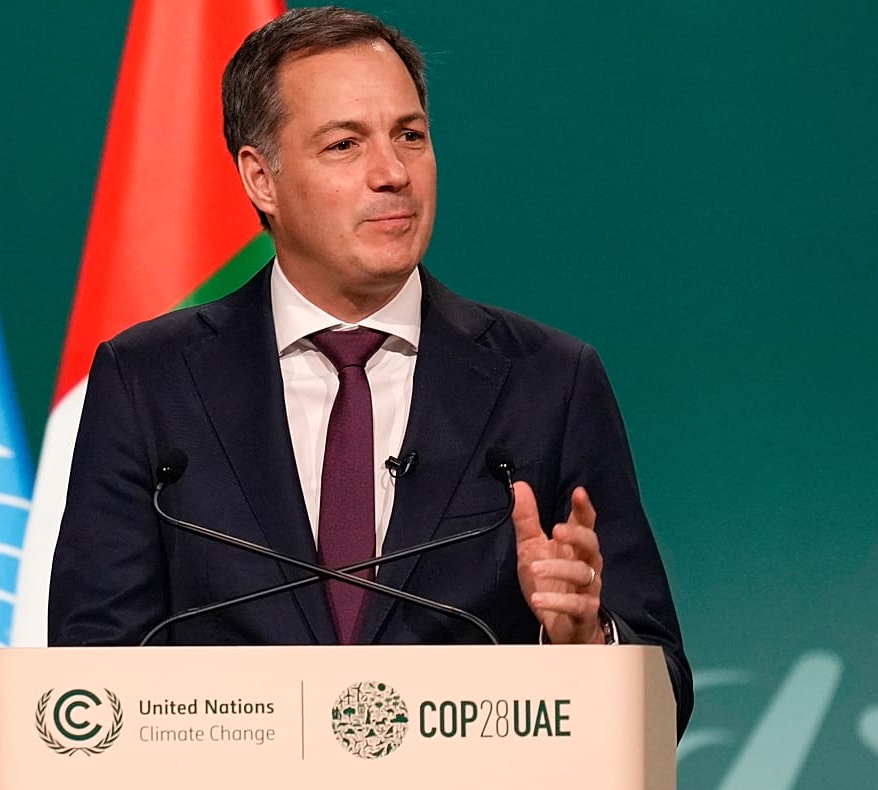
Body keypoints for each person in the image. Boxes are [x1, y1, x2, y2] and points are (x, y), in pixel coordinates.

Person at [47, 6, 691, 734]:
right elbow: (87, 685)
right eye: (345, 144)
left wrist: (585, 646)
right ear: (262, 179)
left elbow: (663, 688)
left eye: (410, 137)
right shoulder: (150, 384)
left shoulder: (550, 381)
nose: (393, 174)